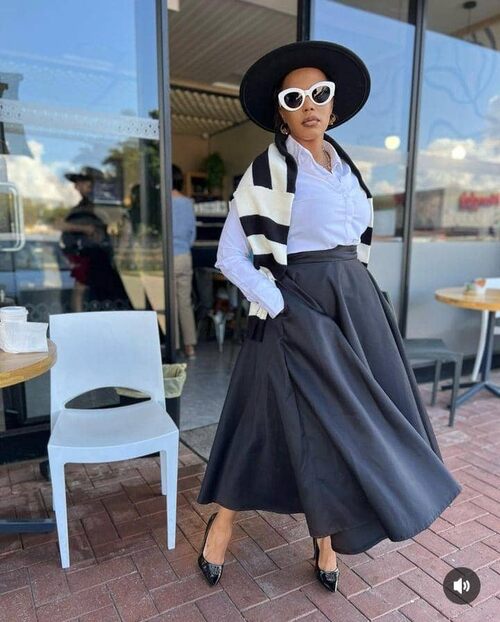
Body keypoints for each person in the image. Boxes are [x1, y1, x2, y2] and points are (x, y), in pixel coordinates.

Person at [195, 40, 462, 592]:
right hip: (296, 312)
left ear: (333, 105)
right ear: (282, 112)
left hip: (355, 309)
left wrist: (364, 299)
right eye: (295, 97)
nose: (309, 104)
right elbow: (230, 257)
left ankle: (327, 538)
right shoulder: (266, 172)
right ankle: (222, 523)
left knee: (342, 428)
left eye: (320, 93)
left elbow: (356, 244)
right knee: (265, 426)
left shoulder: (347, 170)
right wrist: (281, 304)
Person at [171, 164, 198, 359]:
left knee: (169, 304)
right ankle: (190, 347)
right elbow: (192, 235)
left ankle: (174, 345)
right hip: (184, 256)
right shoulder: (188, 203)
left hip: (166, 258)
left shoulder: (161, 203)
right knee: (185, 303)